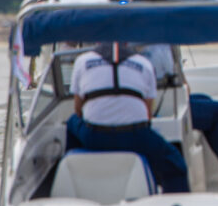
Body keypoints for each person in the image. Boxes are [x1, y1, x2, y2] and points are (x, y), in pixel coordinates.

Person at [67, 41, 190, 193]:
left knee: (72, 122)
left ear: (98, 41)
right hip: (134, 136)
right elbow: (147, 115)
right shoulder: (144, 64)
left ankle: (71, 165)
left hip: (95, 138)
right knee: (175, 164)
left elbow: (78, 110)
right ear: (127, 43)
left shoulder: (82, 61)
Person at [137, 44, 218, 193]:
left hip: (162, 102)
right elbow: (178, 85)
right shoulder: (160, 47)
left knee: (205, 100)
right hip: (163, 108)